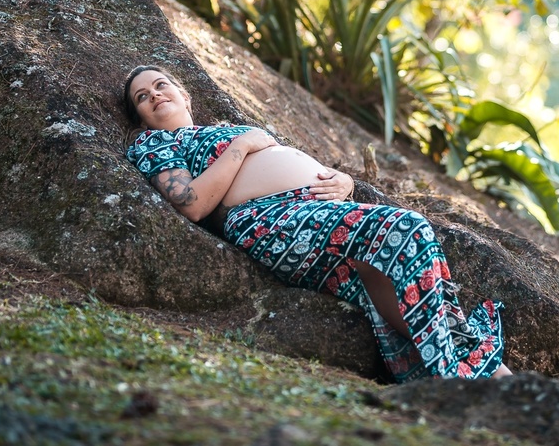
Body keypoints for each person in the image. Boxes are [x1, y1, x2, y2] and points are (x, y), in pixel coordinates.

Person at [122, 65, 511, 382]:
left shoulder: (222, 129)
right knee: (408, 229)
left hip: (321, 213)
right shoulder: (155, 143)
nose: (155, 95)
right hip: (270, 219)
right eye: (143, 96)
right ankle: (464, 375)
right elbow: (190, 204)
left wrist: (345, 182)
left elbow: (295, 165)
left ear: (185, 95)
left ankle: (500, 385)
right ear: (140, 115)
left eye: (160, 85)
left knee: (401, 284)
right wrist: (243, 146)